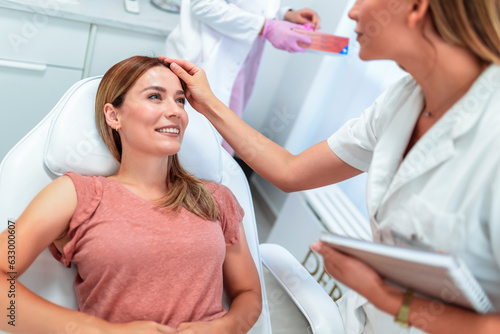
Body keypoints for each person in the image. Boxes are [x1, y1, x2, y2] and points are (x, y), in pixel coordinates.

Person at [160, 0, 500, 332]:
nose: (351, 11)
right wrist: (208, 102)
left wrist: (389, 299)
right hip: (362, 318)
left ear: (416, 7)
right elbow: (290, 171)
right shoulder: (403, 99)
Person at [0, 56, 262, 334]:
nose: (175, 111)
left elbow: (249, 293)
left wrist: (226, 328)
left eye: (180, 100)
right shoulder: (76, 195)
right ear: (114, 115)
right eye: (155, 96)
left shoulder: (216, 199)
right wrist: (99, 331)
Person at [164, 0, 320, 155]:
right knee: (191, 141)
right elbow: (203, 4)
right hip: (209, 57)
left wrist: (285, 14)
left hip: (239, 62)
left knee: (225, 140)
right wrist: (266, 27)